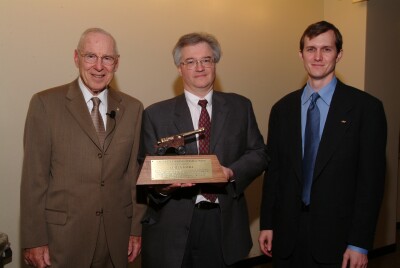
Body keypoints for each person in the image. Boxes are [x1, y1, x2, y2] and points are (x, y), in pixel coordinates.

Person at [259, 21, 387, 268]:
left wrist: (359, 243)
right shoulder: (282, 110)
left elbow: (371, 183)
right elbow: (274, 174)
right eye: (311, 49)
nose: (317, 57)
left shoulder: (366, 109)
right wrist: (267, 223)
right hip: (287, 238)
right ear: (301, 54)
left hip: (339, 241)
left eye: (326, 49)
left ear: (339, 54)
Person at [139, 32, 269, 268]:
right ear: (180, 68)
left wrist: (231, 172)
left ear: (215, 63)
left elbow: (259, 153)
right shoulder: (155, 115)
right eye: (190, 61)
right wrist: (164, 188)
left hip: (224, 224)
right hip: (172, 228)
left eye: (206, 60)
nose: (199, 67)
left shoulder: (241, 107)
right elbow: (144, 172)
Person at [20, 28, 146, 267]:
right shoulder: (45, 104)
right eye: (91, 56)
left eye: (107, 58)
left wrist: (135, 229)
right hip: (62, 241)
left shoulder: (133, 109)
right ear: (77, 58)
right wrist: (34, 239)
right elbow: (33, 180)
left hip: (116, 240)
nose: (99, 66)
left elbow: (135, 175)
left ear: (116, 64)